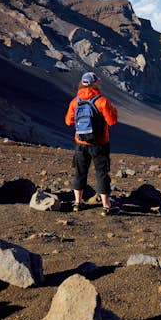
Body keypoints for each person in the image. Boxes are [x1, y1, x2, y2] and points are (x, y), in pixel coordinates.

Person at [65, 71, 119, 216]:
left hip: (80, 143)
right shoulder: (102, 101)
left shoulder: (75, 101)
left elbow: (68, 121)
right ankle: (106, 206)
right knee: (102, 174)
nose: (99, 83)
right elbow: (112, 121)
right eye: (98, 81)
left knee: (80, 172)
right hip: (99, 144)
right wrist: (113, 111)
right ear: (94, 83)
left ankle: (77, 203)